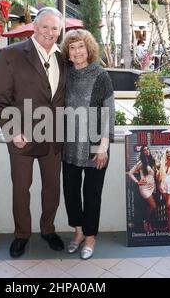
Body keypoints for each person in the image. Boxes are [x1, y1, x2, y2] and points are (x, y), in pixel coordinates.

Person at [0, 7, 65, 258]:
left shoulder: (63, 57)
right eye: (45, 26)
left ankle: (48, 230)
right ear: (35, 26)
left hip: (54, 137)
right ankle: (22, 234)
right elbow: (1, 99)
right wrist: (12, 131)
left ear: (60, 30)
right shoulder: (12, 54)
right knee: (21, 189)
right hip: (21, 137)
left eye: (55, 28)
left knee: (52, 188)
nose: (49, 32)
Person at [61, 29, 115, 259]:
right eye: (72, 48)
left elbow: (109, 111)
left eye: (81, 46)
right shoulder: (66, 75)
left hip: (95, 147)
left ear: (88, 48)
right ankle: (78, 232)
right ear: (68, 53)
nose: (77, 52)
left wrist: (103, 145)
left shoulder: (100, 75)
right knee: (71, 193)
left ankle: (91, 238)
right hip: (69, 146)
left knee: (92, 195)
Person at [128, 146, 157, 233]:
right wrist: (137, 181)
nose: (146, 151)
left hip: (152, 187)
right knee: (153, 206)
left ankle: (149, 223)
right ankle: (146, 221)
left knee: (149, 207)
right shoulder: (141, 163)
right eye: (144, 150)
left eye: (147, 149)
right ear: (142, 152)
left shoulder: (152, 161)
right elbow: (130, 173)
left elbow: (153, 175)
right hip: (144, 188)